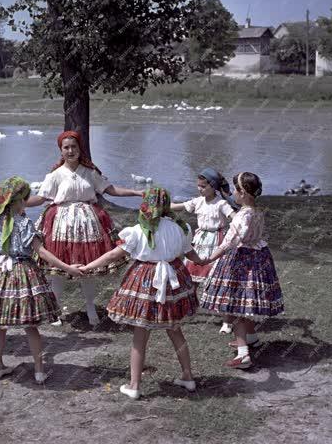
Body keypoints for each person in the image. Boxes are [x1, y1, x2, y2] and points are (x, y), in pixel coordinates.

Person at [79, 187, 200, 399]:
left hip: (145, 280)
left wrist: (88, 267)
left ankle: (134, 385)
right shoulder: (181, 228)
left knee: (140, 335)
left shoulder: (137, 230)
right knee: (175, 329)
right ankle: (188, 377)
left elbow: (113, 255)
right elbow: (191, 254)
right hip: (173, 278)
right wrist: (208, 259)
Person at [0, 176, 83, 383]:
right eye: (24, 199)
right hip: (23, 274)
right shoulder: (24, 224)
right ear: (17, 202)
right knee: (30, 325)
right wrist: (68, 267)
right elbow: (42, 253)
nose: (26, 203)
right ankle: (39, 371)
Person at [26, 131, 142, 326]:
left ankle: (90, 307)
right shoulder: (55, 175)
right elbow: (41, 198)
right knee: (57, 269)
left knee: (89, 267)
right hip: (61, 227)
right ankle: (55, 309)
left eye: (74, 147)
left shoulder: (90, 172)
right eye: (66, 147)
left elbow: (110, 189)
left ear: (80, 149)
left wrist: (137, 192)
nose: (70, 151)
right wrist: (17, 203)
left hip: (89, 226)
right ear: (61, 151)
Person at [198, 172, 284, 369]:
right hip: (258, 257)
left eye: (235, 190)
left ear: (243, 193)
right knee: (246, 302)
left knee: (235, 305)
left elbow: (229, 242)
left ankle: (243, 354)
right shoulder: (257, 211)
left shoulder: (241, 217)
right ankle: (251, 337)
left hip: (240, 261)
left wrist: (208, 259)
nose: (233, 193)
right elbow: (245, 224)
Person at [171, 168, 238, 334]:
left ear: (212, 186)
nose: (199, 189)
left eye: (202, 186)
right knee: (191, 280)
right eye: (198, 186)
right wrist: (159, 204)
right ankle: (189, 309)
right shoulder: (197, 201)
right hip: (199, 244)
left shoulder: (221, 204)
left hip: (217, 242)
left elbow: (235, 218)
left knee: (219, 281)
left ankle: (227, 321)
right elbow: (175, 206)